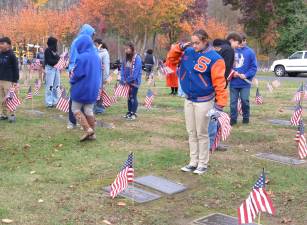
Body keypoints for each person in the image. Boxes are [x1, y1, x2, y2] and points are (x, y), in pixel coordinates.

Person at [166, 29, 227, 174]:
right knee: (191, 132)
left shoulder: (215, 58)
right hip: (189, 98)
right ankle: (193, 161)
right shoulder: (188, 52)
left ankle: (202, 163)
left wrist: (219, 105)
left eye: (197, 43)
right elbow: (171, 60)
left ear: (205, 40)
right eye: (192, 42)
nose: (194, 46)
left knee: (202, 133)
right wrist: (178, 47)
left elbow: (220, 83)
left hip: (204, 100)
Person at [209, 32, 242, 151]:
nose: (239, 46)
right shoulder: (228, 50)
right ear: (232, 40)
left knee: (211, 114)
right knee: (215, 115)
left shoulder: (220, 49)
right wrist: (222, 85)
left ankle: (209, 142)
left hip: (211, 86)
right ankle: (211, 143)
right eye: (238, 43)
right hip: (218, 86)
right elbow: (224, 69)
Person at [70, 35, 101, 141]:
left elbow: (78, 74)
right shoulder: (96, 56)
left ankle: (88, 129)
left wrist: (72, 80)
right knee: (89, 109)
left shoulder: (82, 57)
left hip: (82, 87)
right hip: (94, 87)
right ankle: (92, 134)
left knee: (75, 108)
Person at [67, 24, 95, 129]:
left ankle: (87, 126)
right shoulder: (77, 42)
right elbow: (74, 57)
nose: (92, 36)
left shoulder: (90, 44)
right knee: (74, 97)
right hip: (77, 69)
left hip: (86, 72)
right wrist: (73, 71)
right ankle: (72, 121)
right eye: (92, 34)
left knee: (84, 100)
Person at [229, 34, 257, 125]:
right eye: (240, 41)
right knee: (233, 102)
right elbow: (226, 65)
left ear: (245, 41)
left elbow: (253, 67)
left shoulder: (250, 52)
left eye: (244, 40)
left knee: (245, 100)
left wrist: (246, 75)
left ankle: (246, 118)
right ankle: (233, 119)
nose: (242, 43)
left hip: (245, 83)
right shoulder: (231, 50)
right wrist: (233, 73)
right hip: (234, 82)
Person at [121, 42, 142, 120]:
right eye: (125, 49)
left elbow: (136, 72)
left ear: (132, 49)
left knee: (133, 97)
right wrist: (123, 79)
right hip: (126, 81)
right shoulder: (125, 58)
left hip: (134, 82)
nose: (126, 50)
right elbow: (122, 69)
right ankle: (129, 112)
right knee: (129, 97)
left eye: (127, 49)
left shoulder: (137, 58)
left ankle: (134, 113)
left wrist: (128, 80)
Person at [0, 37, 19, 122]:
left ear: (8, 45)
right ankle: (4, 114)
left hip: (9, 80)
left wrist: (15, 81)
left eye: (2, 43)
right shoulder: (0, 54)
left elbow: (16, 68)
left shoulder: (12, 55)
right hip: (0, 79)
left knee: (10, 98)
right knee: (2, 98)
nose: (0, 45)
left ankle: (12, 115)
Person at [93, 39, 110, 114]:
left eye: (96, 44)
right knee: (95, 92)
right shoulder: (95, 52)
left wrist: (105, 78)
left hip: (101, 76)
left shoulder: (105, 53)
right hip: (94, 75)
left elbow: (106, 66)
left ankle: (99, 109)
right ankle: (96, 108)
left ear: (100, 44)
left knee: (100, 92)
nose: (94, 46)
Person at [44, 37, 60, 107]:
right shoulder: (47, 50)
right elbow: (49, 61)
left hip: (56, 69)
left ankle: (55, 101)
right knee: (50, 86)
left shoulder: (55, 51)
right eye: (55, 43)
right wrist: (58, 61)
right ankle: (49, 102)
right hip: (50, 69)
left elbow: (58, 58)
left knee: (56, 86)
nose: (56, 45)